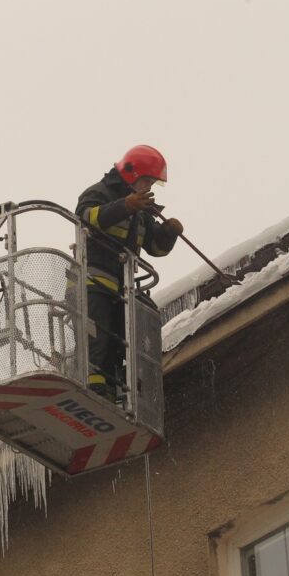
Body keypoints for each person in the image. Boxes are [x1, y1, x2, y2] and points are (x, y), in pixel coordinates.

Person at [75, 145, 183, 401]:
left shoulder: (142, 211)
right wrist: (125, 206)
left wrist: (168, 234)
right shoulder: (99, 192)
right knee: (98, 334)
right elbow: (86, 218)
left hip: (123, 288)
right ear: (131, 173)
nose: (149, 187)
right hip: (92, 279)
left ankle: (117, 386)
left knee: (129, 333)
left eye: (152, 183)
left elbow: (155, 247)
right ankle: (94, 386)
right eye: (147, 180)